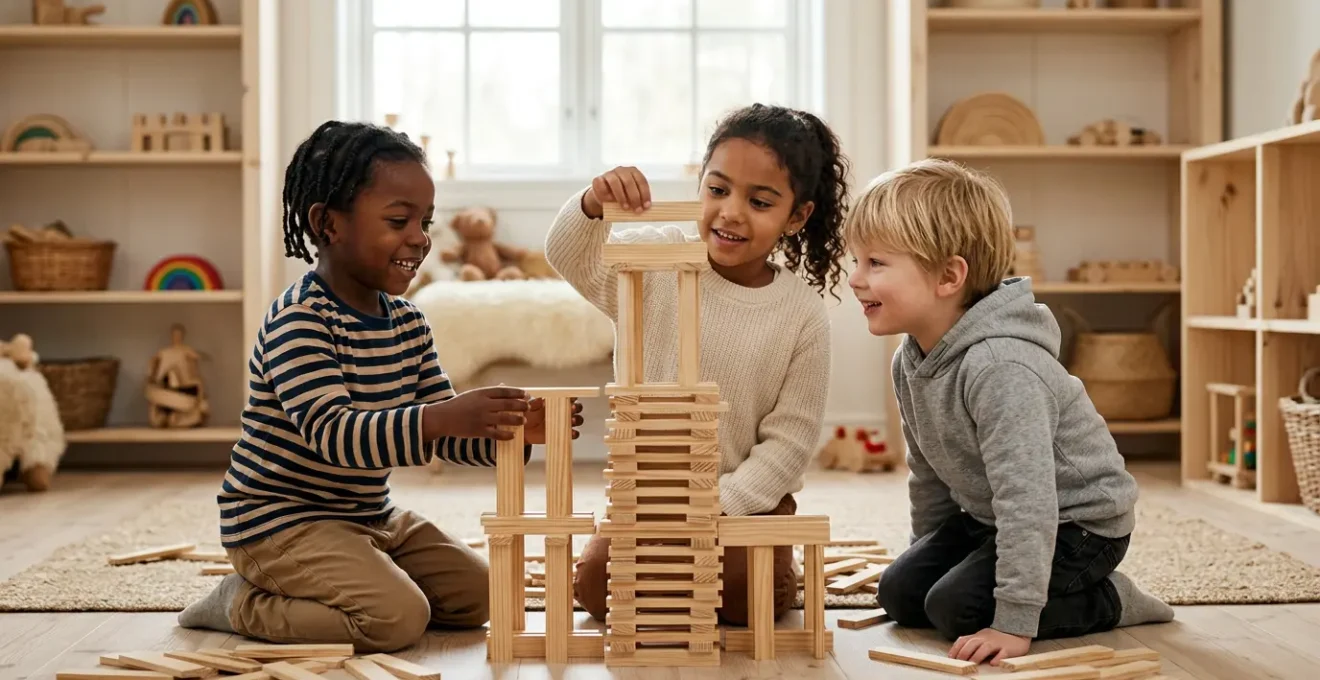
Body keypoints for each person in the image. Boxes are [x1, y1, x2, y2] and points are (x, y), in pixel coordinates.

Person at [176, 121, 582, 653]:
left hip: (368, 515)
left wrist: (514, 432)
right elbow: (336, 436)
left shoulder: (408, 322)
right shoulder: (300, 320)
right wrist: (445, 415)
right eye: (398, 221)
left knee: (486, 595)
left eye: (425, 222)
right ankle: (240, 602)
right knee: (396, 620)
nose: (420, 238)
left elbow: (443, 435)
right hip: (279, 523)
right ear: (327, 224)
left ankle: (360, 577)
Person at [844, 158, 1173, 665]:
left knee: (958, 609)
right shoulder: (910, 361)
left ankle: (1111, 599)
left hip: (1078, 526)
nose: (854, 279)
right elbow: (928, 473)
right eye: (856, 260)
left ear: (948, 276)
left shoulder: (1001, 368)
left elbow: (1030, 501)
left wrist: (1014, 622)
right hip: (994, 517)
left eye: (875, 263)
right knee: (903, 595)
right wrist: (926, 557)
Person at [546, 103, 851, 625]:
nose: (731, 212)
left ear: (796, 216)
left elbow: (791, 442)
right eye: (717, 190)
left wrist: (720, 504)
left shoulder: (801, 313)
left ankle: (762, 560)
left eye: (759, 202)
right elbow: (569, 256)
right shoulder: (657, 260)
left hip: (745, 500)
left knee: (750, 597)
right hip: (650, 499)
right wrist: (593, 204)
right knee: (599, 589)